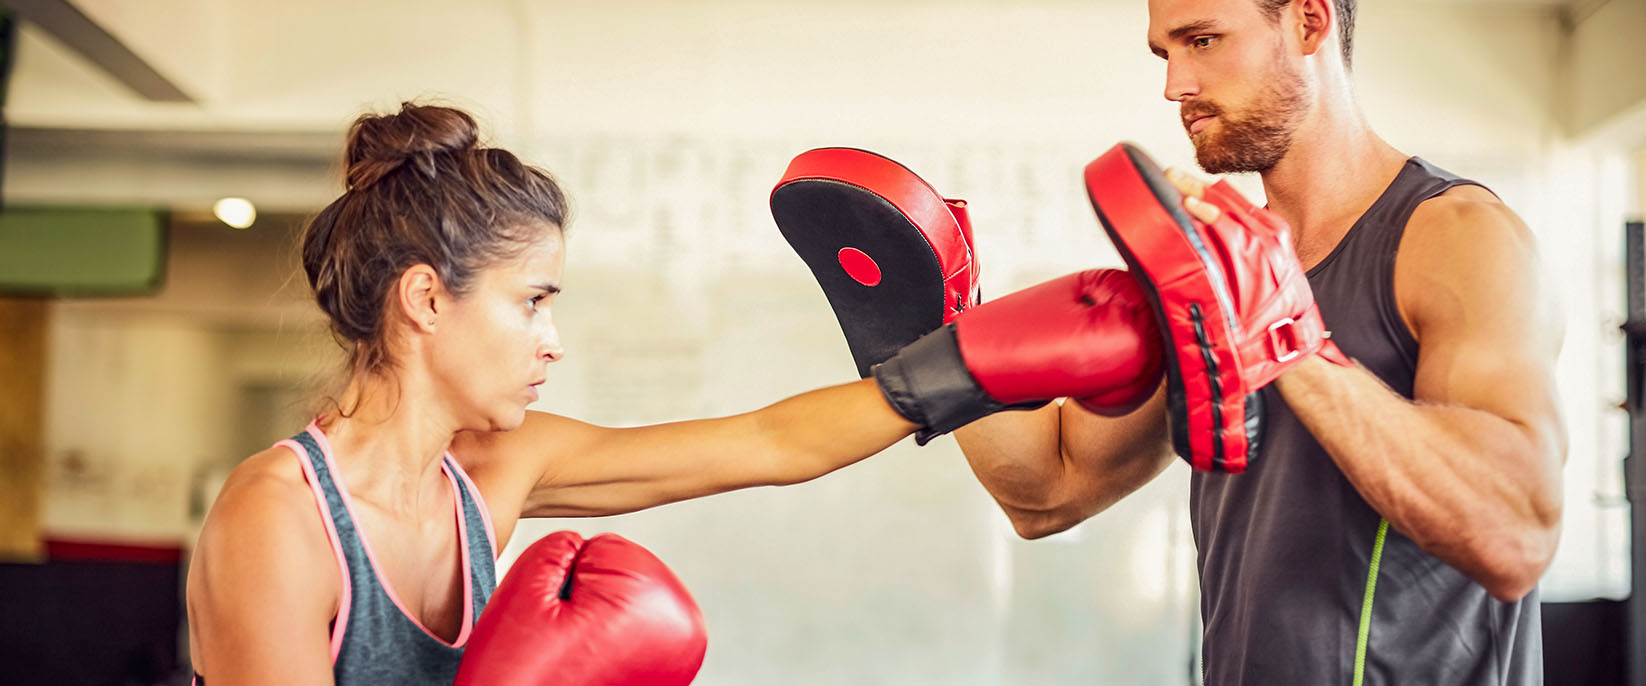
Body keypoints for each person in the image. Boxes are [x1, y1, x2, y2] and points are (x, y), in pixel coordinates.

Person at [184, 105, 1164, 684]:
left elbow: (769, 443)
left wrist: (969, 363)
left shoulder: (493, 470)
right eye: (531, 302)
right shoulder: (280, 521)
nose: (552, 340)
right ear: (426, 299)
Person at [942, 0, 1567, 683]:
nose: (1175, 85)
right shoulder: (1215, 269)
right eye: (1165, 53)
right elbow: (1050, 491)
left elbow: (1515, 535)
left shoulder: (1459, 236)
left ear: (1308, 22)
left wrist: (1286, 338)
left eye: (1203, 40)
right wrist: (937, 323)